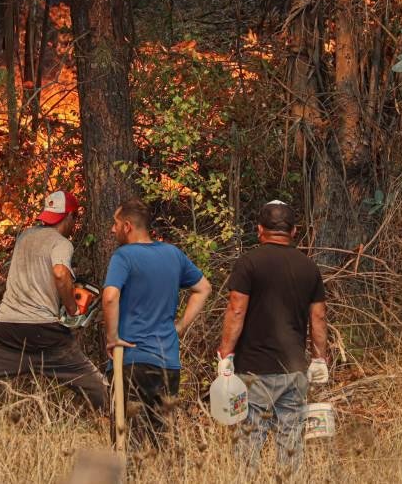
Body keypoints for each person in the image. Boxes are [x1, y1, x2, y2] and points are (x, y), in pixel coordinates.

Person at [0, 190, 108, 410]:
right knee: (91, 383)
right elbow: (59, 273)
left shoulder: (25, 237)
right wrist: (72, 308)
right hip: (44, 331)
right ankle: (120, 413)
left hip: (7, 326)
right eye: (74, 218)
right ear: (69, 217)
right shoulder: (61, 243)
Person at [215, 200, 328, 474]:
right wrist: (319, 359)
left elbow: (236, 309)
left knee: (248, 446)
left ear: (259, 230)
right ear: (294, 230)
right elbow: (319, 317)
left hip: (252, 372)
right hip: (294, 370)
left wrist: (225, 354)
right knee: (290, 445)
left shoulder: (248, 263)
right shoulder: (309, 267)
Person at [102, 198, 212, 449]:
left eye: (115, 224)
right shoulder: (173, 254)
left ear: (127, 226)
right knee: (163, 440)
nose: (112, 229)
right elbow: (204, 288)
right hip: (167, 362)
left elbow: (109, 296)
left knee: (127, 441)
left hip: (131, 359)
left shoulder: (124, 256)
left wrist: (112, 337)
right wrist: (180, 326)